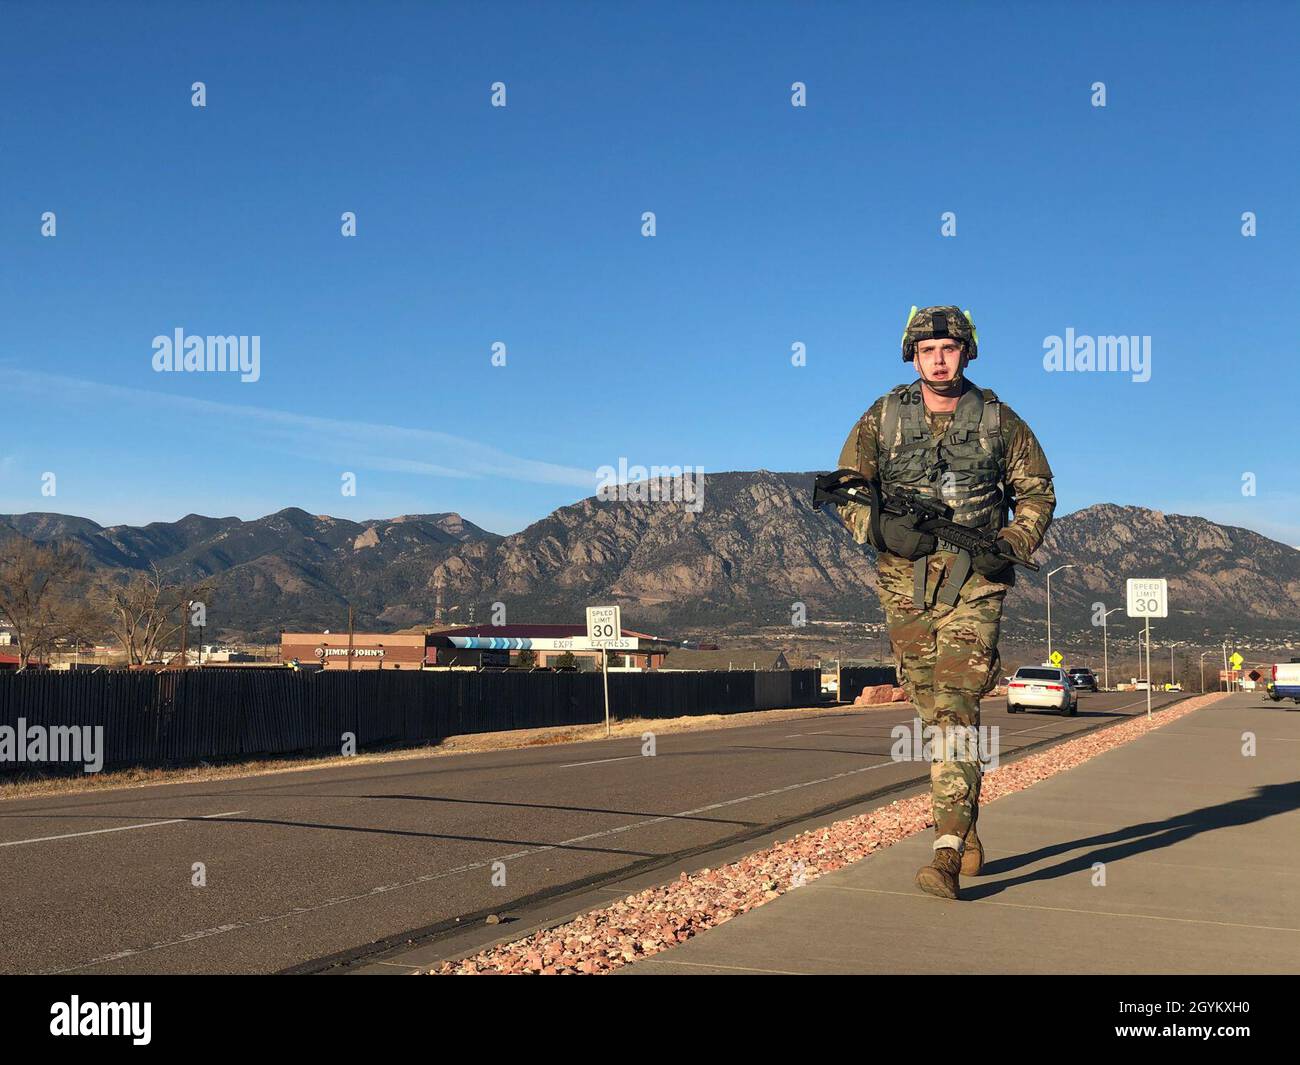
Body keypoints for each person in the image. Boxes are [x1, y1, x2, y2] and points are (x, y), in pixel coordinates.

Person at [835, 305, 1056, 899]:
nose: (939, 357)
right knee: (932, 708)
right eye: (928, 348)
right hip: (904, 585)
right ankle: (969, 822)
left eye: (950, 347)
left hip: (975, 584)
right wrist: (879, 530)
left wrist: (1009, 542)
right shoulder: (882, 419)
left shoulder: (1001, 423)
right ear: (913, 355)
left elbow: (1036, 494)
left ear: (966, 352)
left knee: (958, 707)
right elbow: (849, 490)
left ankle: (946, 851)